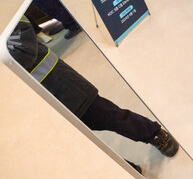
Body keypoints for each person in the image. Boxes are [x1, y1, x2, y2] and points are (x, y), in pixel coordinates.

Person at [8, 16, 179, 160]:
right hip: (31, 110)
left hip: (62, 86)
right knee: (78, 147)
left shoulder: (6, 7)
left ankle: (153, 134)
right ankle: (125, 169)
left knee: (109, 116)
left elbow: (24, 49)